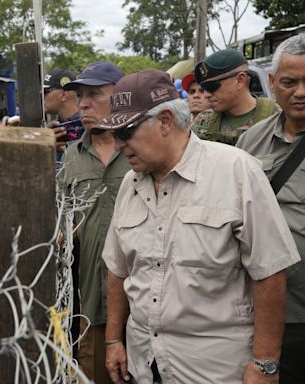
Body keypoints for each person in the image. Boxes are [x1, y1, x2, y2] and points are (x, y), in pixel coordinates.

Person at [98, 69, 300, 383]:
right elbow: (118, 268)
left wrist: (265, 362)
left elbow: (270, 272)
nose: (118, 144)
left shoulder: (235, 171)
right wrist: (113, 340)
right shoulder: (130, 183)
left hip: (213, 369)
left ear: (165, 121)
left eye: (125, 132)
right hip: (145, 363)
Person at [236, 34, 305, 384]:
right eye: (290, 82)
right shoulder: (251, 140)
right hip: (264, 310)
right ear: (273, 84)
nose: (301, 92)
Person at [59, 60, 128, 384]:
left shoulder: (140, 150)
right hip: (90, 304)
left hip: (142, 302)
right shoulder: (72, 155)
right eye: (80, 95)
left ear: (120, 97)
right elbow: (62, 218)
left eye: (94, 94)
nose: (83, 103)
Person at [191, 49, 280, 145]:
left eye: (212, 86)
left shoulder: (277, 117)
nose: (206, 95)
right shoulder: (203, 122)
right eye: (204, 88)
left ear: (240, 80)